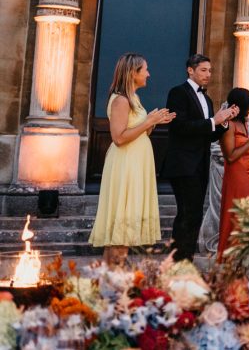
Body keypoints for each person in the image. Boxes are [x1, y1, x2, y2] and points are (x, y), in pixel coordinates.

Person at [90, 53, 175, 263]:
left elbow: (137, 131)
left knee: (125, 230)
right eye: (145, 69)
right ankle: (114, 278)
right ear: (132, 73)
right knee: (123, 225)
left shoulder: (134, 98)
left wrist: (154, 121)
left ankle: (111, 279)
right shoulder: (121, 100)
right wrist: (148, 122)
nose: (149, 73)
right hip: (126, 164)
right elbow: (118, 138)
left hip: (136, 164)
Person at [164, 54, 237, 261]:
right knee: (187, 213)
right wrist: (214, 120)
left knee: (195, 214)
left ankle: (186, 261)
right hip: (183, 163)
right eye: (204, 70)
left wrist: (223, 122)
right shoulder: (178, 93)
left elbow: (209, 133)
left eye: (210, 70)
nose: (208, 74)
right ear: (190, 70)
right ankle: (179, 262)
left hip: (201, 164)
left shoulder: (207, 99)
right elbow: (179, 127)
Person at [218, 88, 249, 258]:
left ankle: (244, 258)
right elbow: (230, 156)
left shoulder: (243, 124)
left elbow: (244, 147)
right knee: (237, 216)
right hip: (237, 175)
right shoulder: (228, 125)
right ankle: (230, 259)